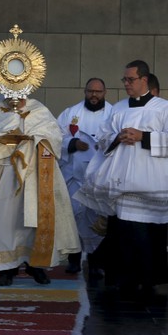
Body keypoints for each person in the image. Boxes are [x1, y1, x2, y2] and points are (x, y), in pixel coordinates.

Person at [0, 30, 80, 285]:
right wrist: (10, 122)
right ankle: (7, 268)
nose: (16, 92)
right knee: (3, 221)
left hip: (33, 173)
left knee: (31, 222)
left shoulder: (38, 110)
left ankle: (35, 264)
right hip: (2, 172)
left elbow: (54, 138)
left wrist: (30, 137)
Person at [78, 60, 168, 301]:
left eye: (130, 79)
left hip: (151, 183)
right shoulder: (118, 109)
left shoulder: (165, 109)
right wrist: (117, 137)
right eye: (125, 80)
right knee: (122, 232)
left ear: (144, 80)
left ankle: (148, 280)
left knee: (147, 234)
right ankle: (122, 279)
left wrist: (144, 137)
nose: (126, 84)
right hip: (122, 182)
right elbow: (102, 138)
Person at [56, 79, 113, 275]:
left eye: (98, 91)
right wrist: (72, 144)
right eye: (90, 91)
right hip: (74, 176)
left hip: (101, 177)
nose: (94, 95)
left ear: (105, 92)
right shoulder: (70, 113)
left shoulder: (114, 114)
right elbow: (56, 136)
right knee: (73, 216)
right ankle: (74, 259)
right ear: (85, 91)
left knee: (97, 218)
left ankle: (96, 262)